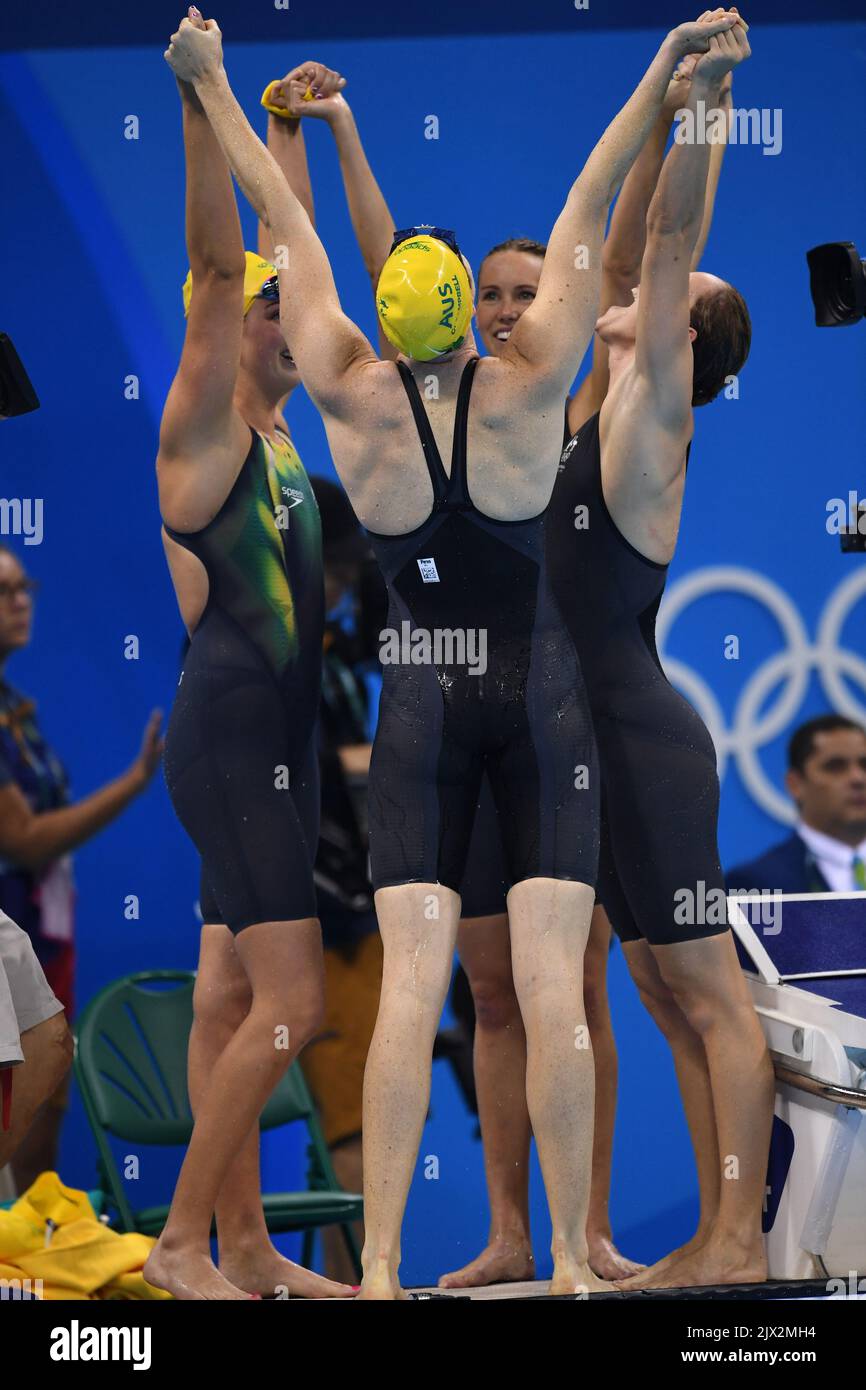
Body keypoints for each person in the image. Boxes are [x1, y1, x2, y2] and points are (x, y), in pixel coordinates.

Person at [165, 6, 742, 1299]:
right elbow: (612, 204)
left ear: (380, 313)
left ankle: (374, 1269)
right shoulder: (534, 374)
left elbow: (288, 237)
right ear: (474, 322)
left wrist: (211, 90)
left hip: (422, 705)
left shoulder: (349, 392)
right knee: (552, 990)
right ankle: (584, 1272)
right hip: (539, 704)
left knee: (425, 976)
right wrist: (665, 78)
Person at [143, 18, 353, 1301]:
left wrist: (278, 125)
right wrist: (198, 97)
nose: (298, 310)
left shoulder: (277, 437)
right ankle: (178, 1244)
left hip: (276, 745)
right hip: (231, 745)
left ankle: (252, 1247)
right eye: (279, 306)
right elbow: (224, 267)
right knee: (296, 1007)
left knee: (228, 1001)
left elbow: (282, 259)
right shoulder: (203, 431)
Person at [0, 560, 162, 1193]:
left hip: (45, 929)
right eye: (3, 591)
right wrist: (133, 783)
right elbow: (23, 838)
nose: (20, 602)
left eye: (24, 587)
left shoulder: (14, 705)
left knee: (47, 1089)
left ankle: (31, 1256)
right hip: (8, 929)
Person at [301, 474, 384, 1284]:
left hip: (362, 913)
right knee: (352, 1121)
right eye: (331, 570)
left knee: (367, 1115)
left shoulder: (337, 654)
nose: (340, 588)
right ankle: (358, 1283)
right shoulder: (258, 641)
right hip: (304, 917)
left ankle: (353, 1278)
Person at [727, 715, 866, 894]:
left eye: (864, 765)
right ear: (795, 784)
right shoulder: (755, 883)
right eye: (835, 766)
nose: (858, 778)